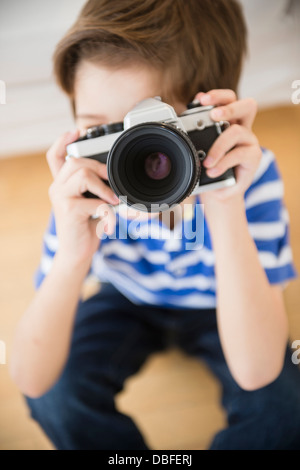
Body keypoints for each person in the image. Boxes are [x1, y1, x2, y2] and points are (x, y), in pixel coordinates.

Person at [10, 0, 300, 450]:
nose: (131, 163)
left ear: (207, 120)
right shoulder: (87, 190)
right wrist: (72, 256)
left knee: (287, 408)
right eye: (100, 134)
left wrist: (224, 203)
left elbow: (258, 371)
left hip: (219, 297)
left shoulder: (249, 177)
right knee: (58, 397)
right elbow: (32, 378)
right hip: (129, 295)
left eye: (149, 140)